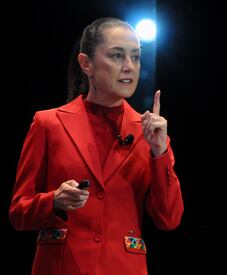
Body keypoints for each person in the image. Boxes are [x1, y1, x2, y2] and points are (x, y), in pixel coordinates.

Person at [9, 17, 184, 275]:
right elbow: (18, 213)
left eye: (135, 57)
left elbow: (168, 219)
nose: (129, 67)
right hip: (62, 267)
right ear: (86, 64)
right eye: (116, 56)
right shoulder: (48, 123)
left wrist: (160, 152)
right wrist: (54, 201)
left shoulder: (150, 132)